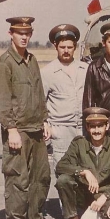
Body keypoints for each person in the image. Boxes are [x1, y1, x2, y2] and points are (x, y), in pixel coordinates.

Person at [0, 17, 53, 219]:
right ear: (11, 34)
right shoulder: (5, 62)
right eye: (20, 33)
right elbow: (1, 99)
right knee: (17, 176)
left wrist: (45, 120)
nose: (24, 37)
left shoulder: (32, 60)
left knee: (41, 176)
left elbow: (38, 93)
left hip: (36, 128)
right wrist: (11, 129)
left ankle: (34, 217)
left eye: (28, 33)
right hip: (19, 130)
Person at [55, 107, 110, 219]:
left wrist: (106, 195)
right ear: (87, 127)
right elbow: (61, 166)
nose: (96, 130)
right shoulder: (79, 144)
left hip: (104, 193)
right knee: (63, 180)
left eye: (100, 126)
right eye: (92, 126)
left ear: (107, 126)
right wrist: (84, 172)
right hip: (83, 192)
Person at [42, 24, 88, 168]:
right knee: (63, 175)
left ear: (75, 47)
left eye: (69, 47)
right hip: (61, 131)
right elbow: (39, 102)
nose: (66, 51)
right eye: (62, 47)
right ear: (56, 46)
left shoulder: (85, 69)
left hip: (83, 129)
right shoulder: (47, 73)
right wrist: (45, 123)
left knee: (85, 171)